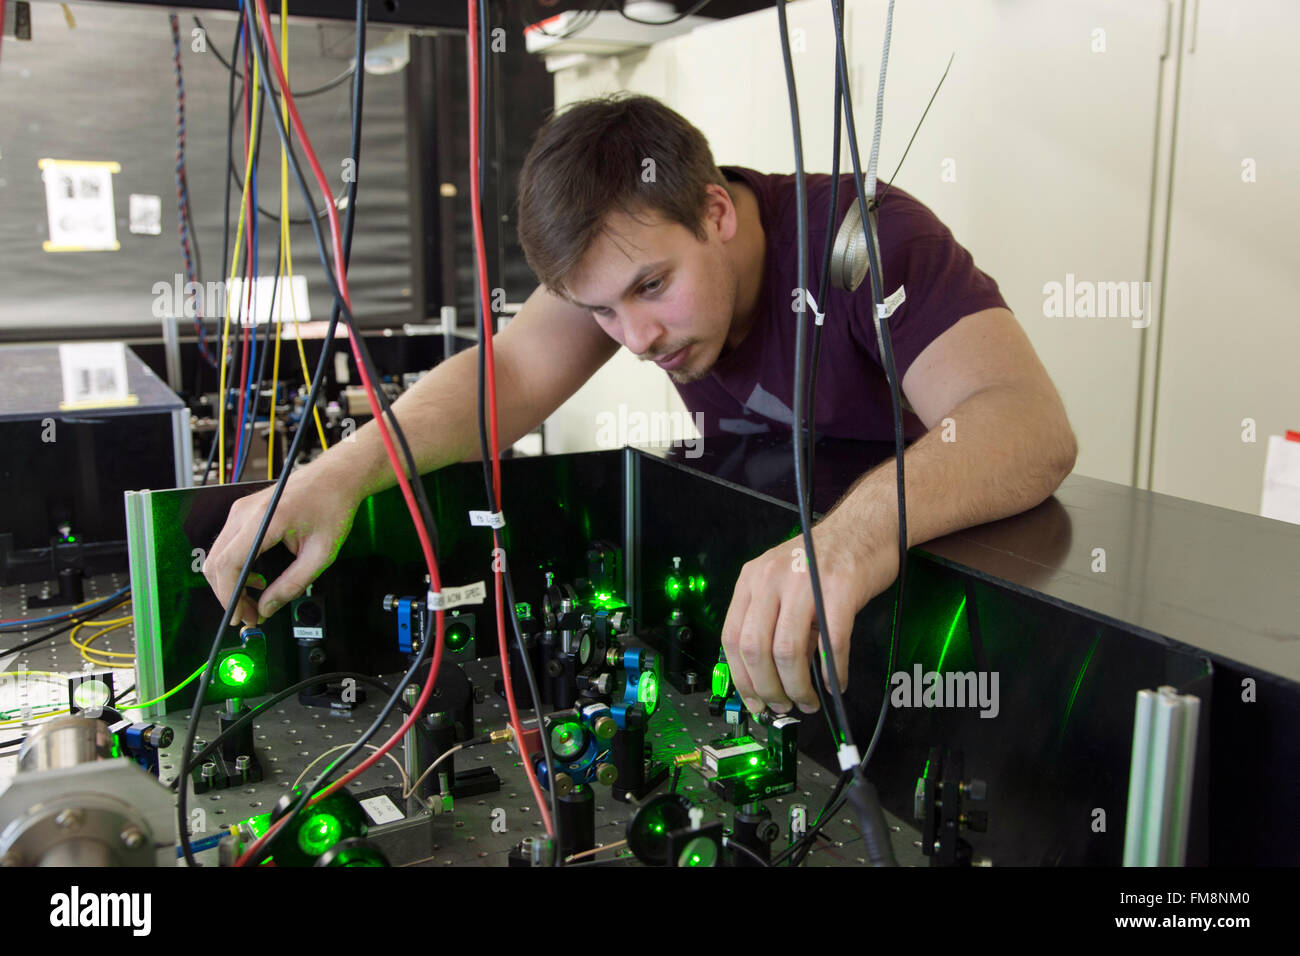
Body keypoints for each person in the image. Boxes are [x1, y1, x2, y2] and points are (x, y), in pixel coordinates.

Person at [204, 93, 1076, 719]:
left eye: (652, 286)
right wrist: (339, 473)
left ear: (716, 211)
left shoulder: (868, 241)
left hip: (943, 634)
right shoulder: (632, 285)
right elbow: (506, 372)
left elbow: (1025, 423)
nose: (637, 337)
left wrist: (851, 536)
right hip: (785, 624)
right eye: (601, 310)